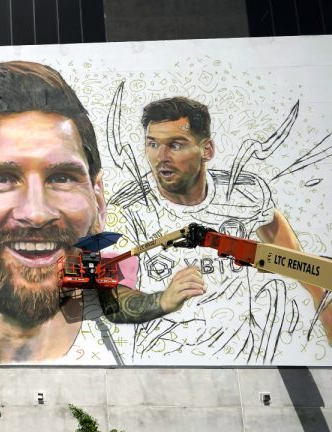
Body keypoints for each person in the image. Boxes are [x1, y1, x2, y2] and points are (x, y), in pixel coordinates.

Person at [0, 62, 206, 363]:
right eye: (0, 179)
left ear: (98, 200)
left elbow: (119, 300)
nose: (37, 213)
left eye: (62, 178)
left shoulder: (148, 346)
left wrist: (164, 300)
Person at [110, 96, 331, 361]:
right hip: (163, 365)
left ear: (207, 150)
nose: (161, 157)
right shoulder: (127, 208)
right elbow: (113, 301)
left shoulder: (245, 193)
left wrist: (321, 299)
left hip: (249, 364)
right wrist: (163, 300)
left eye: (175, 145)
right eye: (153, 144)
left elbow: (292, 259)